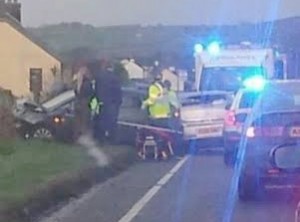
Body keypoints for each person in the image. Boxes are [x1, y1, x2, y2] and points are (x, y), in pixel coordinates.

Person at [95, 60, 122, 143]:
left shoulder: (100, 77)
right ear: (112, 67)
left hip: (102, 103)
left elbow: (97, 90)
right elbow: (118, 91)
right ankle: (112, 139)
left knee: (102, 121)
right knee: (112, 122)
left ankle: (101, 139)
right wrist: (119, 102)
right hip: (112, 103)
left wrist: (99, 100)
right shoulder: (115, 78)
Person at [73, 66, 94, 138]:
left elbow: (76, 93)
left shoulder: (77, 84)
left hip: (77, 105)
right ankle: (84, 139)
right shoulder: (88, 83)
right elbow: (90, 94)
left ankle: (78, 138)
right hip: (85, 105)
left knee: (78, 123)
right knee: (84, 123)